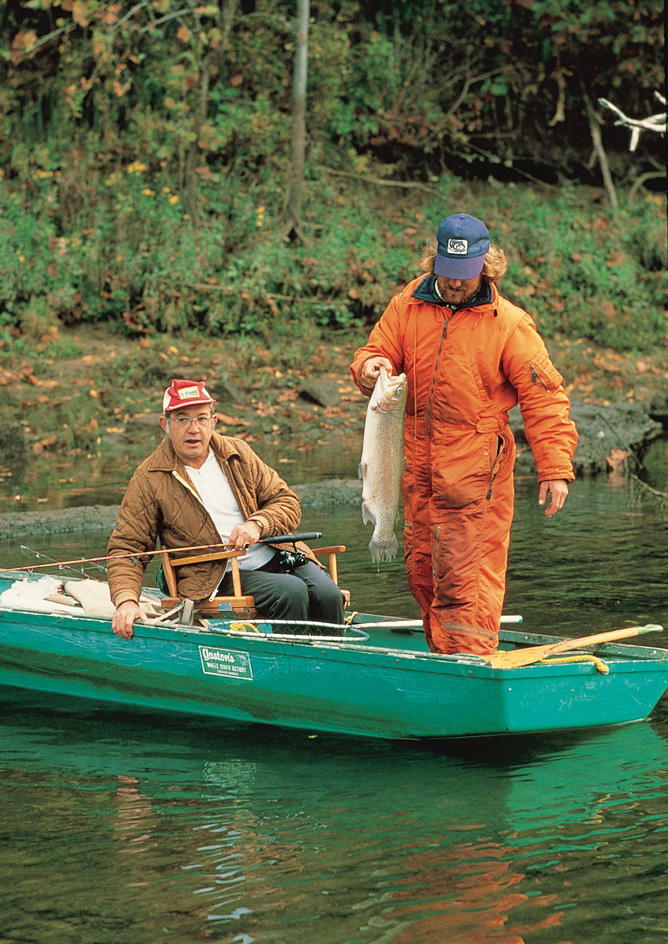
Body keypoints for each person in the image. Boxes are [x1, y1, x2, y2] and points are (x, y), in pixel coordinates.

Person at [350, 213, 578, 656]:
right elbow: (375, 351)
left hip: (476, 483)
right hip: (416, 477)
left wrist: (553, 468)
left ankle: (469, 672)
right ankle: (445, 672)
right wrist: (369, 366)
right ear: (434, 260)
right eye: (447, 274)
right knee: (423, 579)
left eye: (465, 275)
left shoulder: (510, 324)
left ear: (486, 265)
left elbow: (545, 399)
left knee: (466, 590)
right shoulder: (407, 305)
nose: (454, 284)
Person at [108, 378, 345, 639]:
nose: (194, 429)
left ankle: (332, 666)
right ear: (165, 425)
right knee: (291, 591)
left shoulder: (237, 452)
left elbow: (287, 502)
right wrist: (126, 601)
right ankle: (292, 671)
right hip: (215, 574)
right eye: (182, 419)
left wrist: (258, 524)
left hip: (277, 555)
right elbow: (128, 548)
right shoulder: (149, 477)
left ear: (214, 421)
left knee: (329, 594)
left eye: (201, 418)